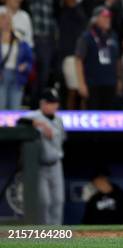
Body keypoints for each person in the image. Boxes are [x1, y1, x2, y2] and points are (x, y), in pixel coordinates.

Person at [18, 88, 65, 224]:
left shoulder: (59, 120)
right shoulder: (34, 116)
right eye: (50, 103)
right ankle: (44, 235)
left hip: (56, 165)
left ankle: (55, 235)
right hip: (40, 167)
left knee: (58, 200)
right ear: (42, 103)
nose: (54, 106)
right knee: (44, 202)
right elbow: (19, 121)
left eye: (55, 103)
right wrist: (40, 124)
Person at [75, 6, 122, 110]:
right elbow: (78, 60)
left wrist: (119, 79)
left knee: (109, 115)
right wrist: (81, 83)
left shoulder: (113, 36)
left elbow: (117, 59)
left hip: (110, 83)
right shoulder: (86, 37)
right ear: (95, 19)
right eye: (104, 17)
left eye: (109, 17)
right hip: (93, 84)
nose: (108, 19)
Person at [0, 9, 33, 109]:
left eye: (8, 19)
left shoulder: (19, 38)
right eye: (3, 19)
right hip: (1, 76)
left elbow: (29, 59)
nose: (6, 22)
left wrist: (26, 66)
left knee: (15, 108)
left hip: (17, 76)